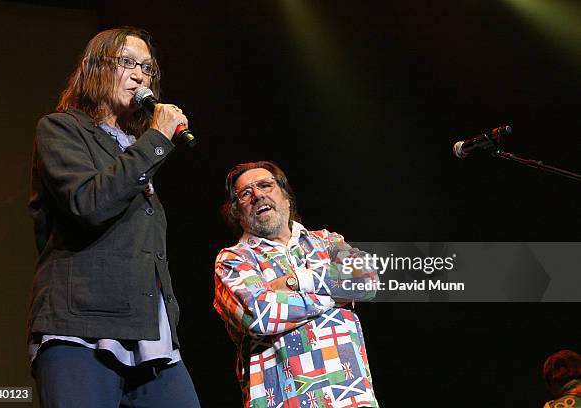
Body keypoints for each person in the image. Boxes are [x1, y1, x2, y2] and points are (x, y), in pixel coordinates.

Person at [27, 27, 200, 407]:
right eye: (128, 63)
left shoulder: (131, 148)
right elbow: (89, 204)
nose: (140, 76)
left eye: (148, 68)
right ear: (94, 68)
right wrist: (156, 139)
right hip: (82, 330)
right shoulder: (62, 129)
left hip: (151, 337)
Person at [214, 161, 380, 408]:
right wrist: (334, 297)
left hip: (351, 395)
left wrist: (296, 281)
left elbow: (367, 280)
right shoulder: (233, 260)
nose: (258, 195)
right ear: (237, 213)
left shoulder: (326, 241)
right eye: (246, 193)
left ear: (287, 199)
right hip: (283, 398)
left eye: (265, 185)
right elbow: (260, 314)